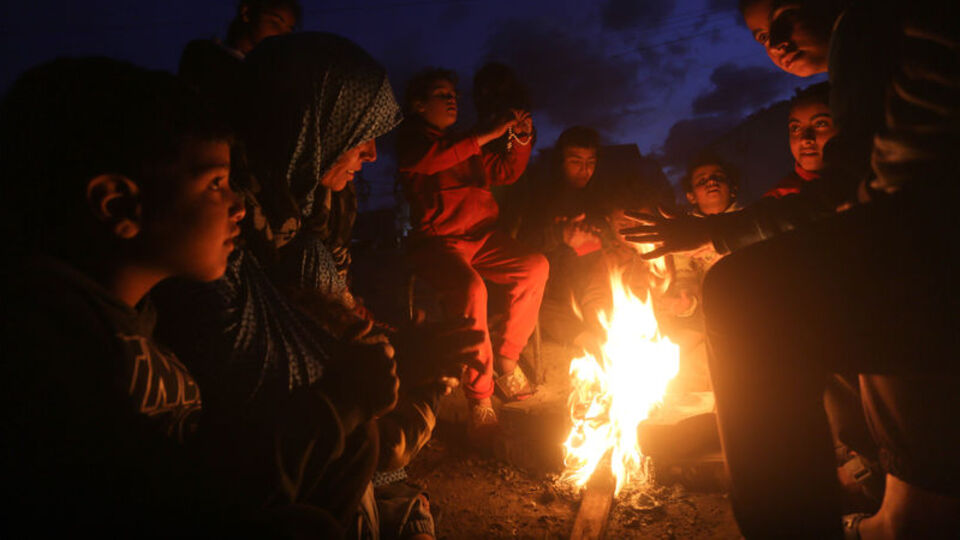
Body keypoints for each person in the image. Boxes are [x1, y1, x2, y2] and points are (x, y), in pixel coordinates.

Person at [622, 0, 960, 537]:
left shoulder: (865, 22)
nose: (776, 42)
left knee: (741, 291)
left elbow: (850, 188)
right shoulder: (884, 35)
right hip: (919, 238)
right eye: (761, 38)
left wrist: (714, 235)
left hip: (931, 237)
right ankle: (907, 503)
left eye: (785, 16)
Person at [0, 57, 255, 535]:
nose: (240, 205)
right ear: (119, 204)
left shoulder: (137, 321)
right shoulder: (51, 354)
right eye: (215, 184)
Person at [397, 68, 548, 437]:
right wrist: (487, 133)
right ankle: (480, 396)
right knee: (471, 290)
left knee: (534, 266)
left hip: (482, 238)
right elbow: (433, 161)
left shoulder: (465, 145)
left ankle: (508, 359)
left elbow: (505, 171)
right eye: (441, 94)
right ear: (418, 105)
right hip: (439, 242)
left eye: (454, 94)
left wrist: (521, 137)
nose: (453, 100)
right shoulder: (414, 143)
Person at [519, 126, 604, 345]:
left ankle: (602, 332)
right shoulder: (540, 198)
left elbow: (607, 238)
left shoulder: (597, 198)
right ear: (560, 162)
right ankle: (586, 340)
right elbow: (523, 243)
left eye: (591, 162)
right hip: (551, 286)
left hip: (590, 282)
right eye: (576, 162)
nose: (585, 170)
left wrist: (595, 239)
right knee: (540, 306)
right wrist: (561, 235)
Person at [765, 82, 838, 198]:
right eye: (796, 128)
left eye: (820, 124)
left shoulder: (871, 183)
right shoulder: (779, 200)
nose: (805, 139)